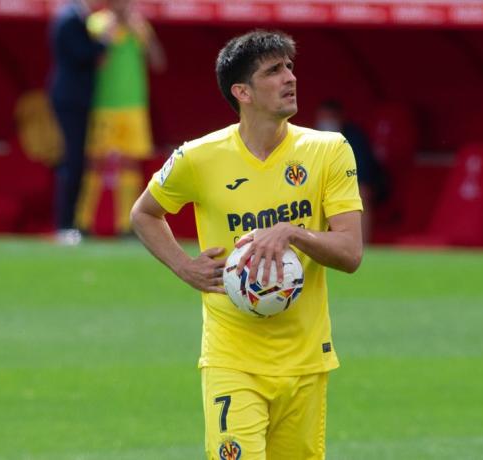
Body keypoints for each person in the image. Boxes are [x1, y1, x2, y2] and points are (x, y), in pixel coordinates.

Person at [130, 31, 363, 459]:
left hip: (306, 362)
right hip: (231, 359)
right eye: (273, 71)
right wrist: (184, 267)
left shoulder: (329, 150)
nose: (289, 78)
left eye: (290, 67)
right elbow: (143, 213)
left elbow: (350, 253)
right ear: (243, 92)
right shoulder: (197, 157)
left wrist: (293, 232)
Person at [76, 0, 166, 237]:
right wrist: (111, 31)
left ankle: (126, 226)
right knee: (96, 163)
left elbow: (158, 62)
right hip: (104, 104)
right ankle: (82, 223)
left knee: (130, 164)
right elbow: (92, 60)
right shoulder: (96, 23)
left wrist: (142, 34)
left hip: (134, 107)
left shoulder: (140, 26)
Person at [48, 0, 107, 244]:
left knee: (76, 161)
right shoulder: (70, 18)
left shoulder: (73, 16)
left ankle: (69, 223)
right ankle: (64, 225)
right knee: (73, 162)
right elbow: (82, 54)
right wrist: (104, 42)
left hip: (75, 99)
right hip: (71, 99)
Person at [315, 99, 386, 243]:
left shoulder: (355, 138)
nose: (326, 121)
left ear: (340, 118)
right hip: (322, 186)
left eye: (331, 117)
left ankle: (361, 245)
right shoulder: (311, 138)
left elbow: (363, 176)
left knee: (362, 193)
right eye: (323, 117)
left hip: (349, 186)